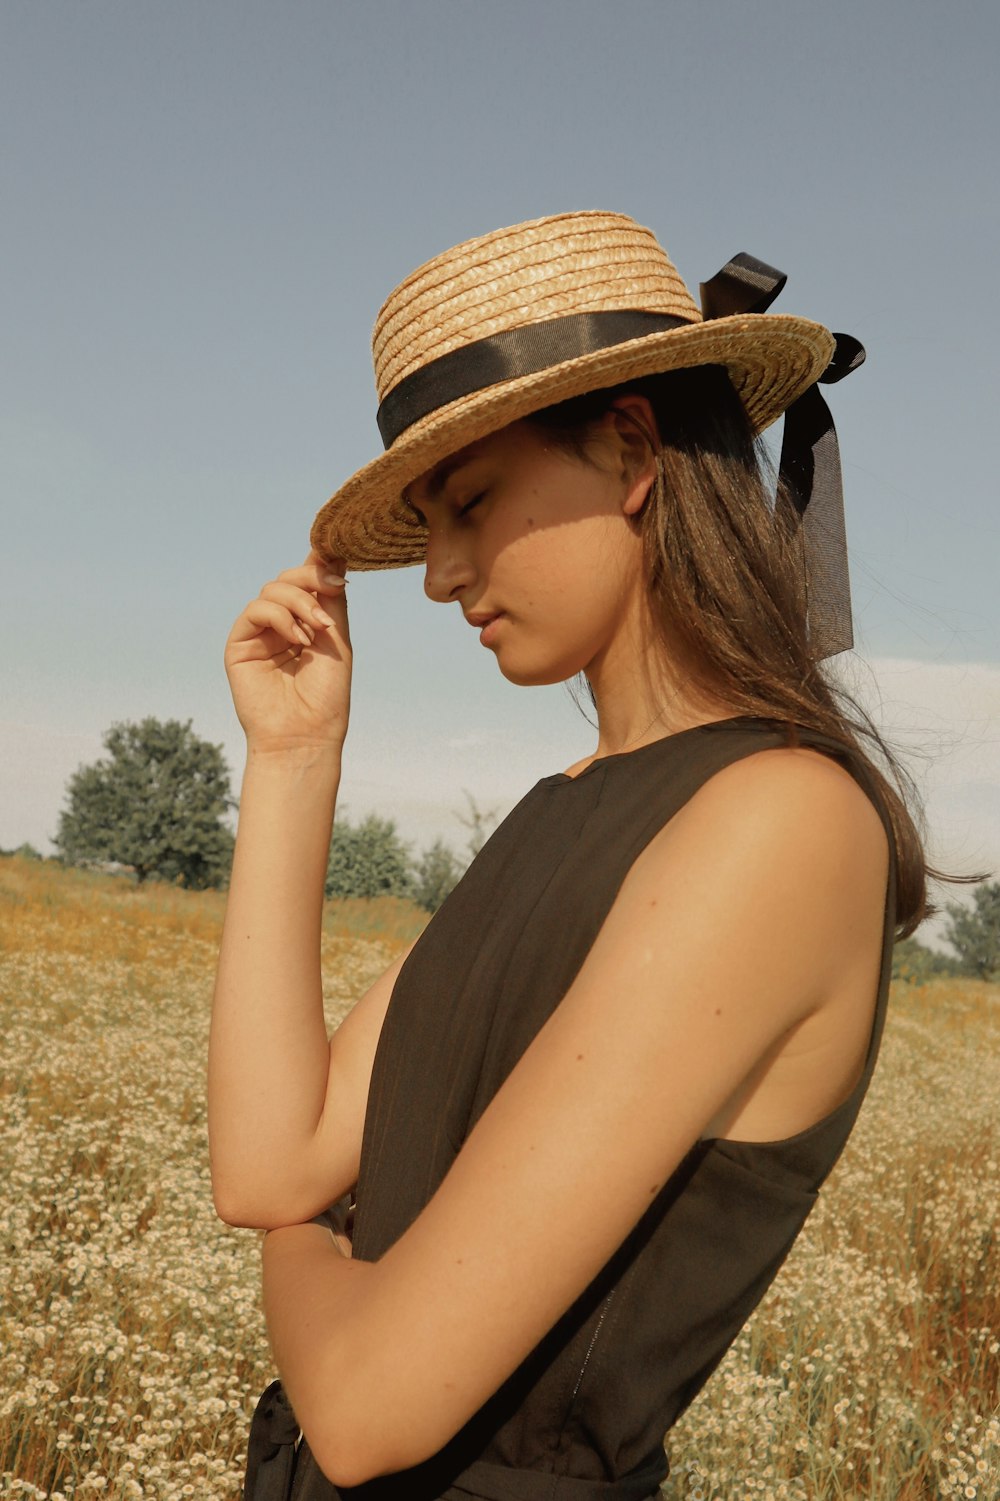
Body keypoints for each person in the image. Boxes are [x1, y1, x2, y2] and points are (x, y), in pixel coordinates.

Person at [209, 212, 944, 1500]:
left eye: (473, 503)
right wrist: (291, 763)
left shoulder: (777, 819)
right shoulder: (568, 808)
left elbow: (372, 1405)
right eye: (430, 520)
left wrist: (306, 1245)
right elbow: (271, 1165)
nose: (438, 575)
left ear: (631, 448)